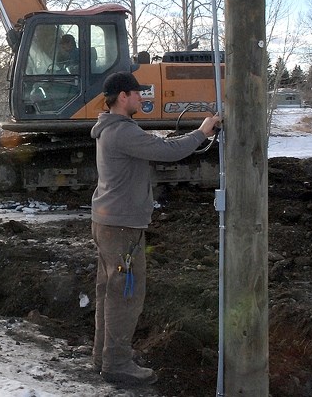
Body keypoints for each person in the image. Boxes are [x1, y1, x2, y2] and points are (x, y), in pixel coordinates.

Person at [90, 71, 221, 387]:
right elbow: (168, 152)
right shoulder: (121, 131)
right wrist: (203, 131)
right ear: (123, 97)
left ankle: (103, 356)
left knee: (109, 291)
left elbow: (155, 145)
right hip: (122, 227)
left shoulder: (111, 129)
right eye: (137, 93)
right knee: (126, 295)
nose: (142, 98)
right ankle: (117, 364)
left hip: (108, 222)